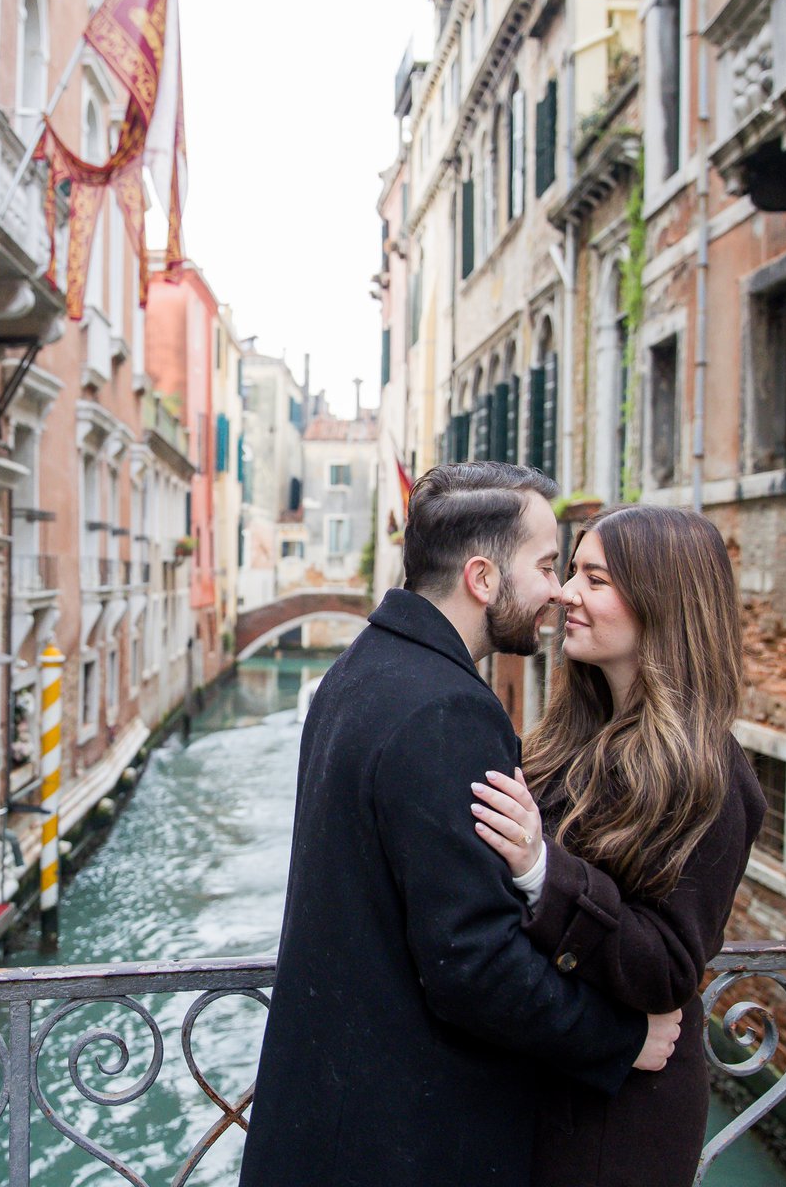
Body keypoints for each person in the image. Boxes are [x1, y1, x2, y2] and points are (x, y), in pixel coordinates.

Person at [240, 464, 683, 1187]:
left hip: (324, 1121)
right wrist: (619, 1037)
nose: (557, 592)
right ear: (482, 577)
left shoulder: (356, 673)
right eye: (545, 565)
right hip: (406, 1145)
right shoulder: (449, 710)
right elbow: (472, 965)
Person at [470, 505, 767, 1187]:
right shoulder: (560, 744)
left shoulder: (712, 776)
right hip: (533, 1087)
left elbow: (668, 967)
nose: (566, 593)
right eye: (570, 572)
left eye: (594, 579)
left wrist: (543, 871)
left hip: (615, 1124)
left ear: (662, 604)